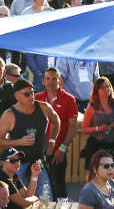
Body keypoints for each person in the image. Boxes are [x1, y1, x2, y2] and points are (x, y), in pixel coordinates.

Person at [0, 78, 61, 199]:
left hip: (38, 162)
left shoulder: (43, 107)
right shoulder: (9, 115)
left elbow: (56, 120)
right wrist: (19, 142)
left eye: (32, 92)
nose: (31, 96)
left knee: (46, 201)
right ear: (16, 96)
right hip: (18, 166)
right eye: (27, 94)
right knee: (22, 201)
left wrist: (52, 141)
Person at [35, 67, 80, 199]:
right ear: (43, 81)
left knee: (58, 187)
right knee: (40, 188)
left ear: (59, 80)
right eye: (47, 78)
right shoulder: (36, 98)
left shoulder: (69, 99)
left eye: (54, 79)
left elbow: (73, 128)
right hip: (40, 152)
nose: (51, 82)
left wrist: (62, 148)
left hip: (58, 152)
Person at [81, 77, 114, 170]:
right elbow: (84, 129)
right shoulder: (92, 107)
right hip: (97, 145)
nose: (106, 89)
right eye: (102, 87)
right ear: (96, 90)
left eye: (108, 86)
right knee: (95, 174)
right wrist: (99, 129)